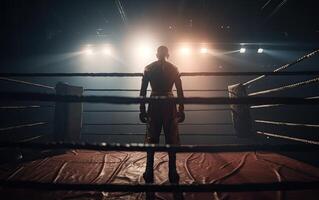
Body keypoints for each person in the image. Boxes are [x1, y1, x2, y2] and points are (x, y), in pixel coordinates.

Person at [139, 45, 185, 185]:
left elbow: (143, 91)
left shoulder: (148, 68)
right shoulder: (174, 68)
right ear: (168, 54)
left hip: (154, 103)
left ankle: (148, 171)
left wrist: (142, 109)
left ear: (156, 54)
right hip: (169, 104)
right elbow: (180, 91)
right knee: (171, 137)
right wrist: (181, 109)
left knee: (152, 136)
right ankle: (172, 172)